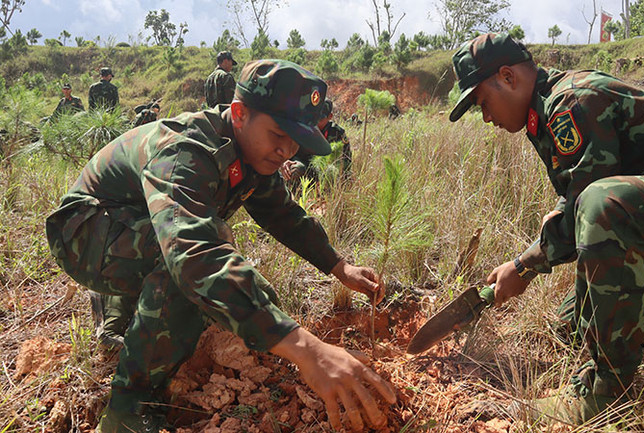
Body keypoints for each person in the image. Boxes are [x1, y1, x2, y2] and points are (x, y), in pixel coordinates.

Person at [46, 59, 396, 433]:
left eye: (295, 141)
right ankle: (126, 411)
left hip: (132, 225)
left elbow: (282, 213)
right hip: (82, 234)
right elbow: (193, 257)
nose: (286, 151)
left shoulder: (248, 151)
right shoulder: (187, 150)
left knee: (232, 280)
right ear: (239, 113)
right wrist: (307, 349)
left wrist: (338, 266)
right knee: (192, 270)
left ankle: (125, 306)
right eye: (279, 134)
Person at [448, 33, 644, 424]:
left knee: (602, 205)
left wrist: (524, 266)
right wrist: (539, 245)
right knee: (577, 321)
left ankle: (605, 392)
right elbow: (577, 198)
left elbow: (592, 201)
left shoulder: (571, 101)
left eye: (483, 102)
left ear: (508, 77)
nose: (486, 117)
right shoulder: (544, 110)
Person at [280, 98, 352, 186]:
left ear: (330, 117)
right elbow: (285, 150)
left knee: (331, 172)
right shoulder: (300, 127)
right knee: (294, 169)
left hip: (324, 170)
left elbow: (345, 161)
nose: (315, 121)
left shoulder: (337, 133)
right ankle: (293, 196)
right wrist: (285, 161)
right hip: (304, 167)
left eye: (320, 118)